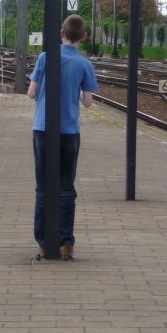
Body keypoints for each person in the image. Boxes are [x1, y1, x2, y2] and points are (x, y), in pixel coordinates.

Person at [27, 14, 99, 261]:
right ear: (83, 37)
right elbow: (88, 103)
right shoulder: (84, 64)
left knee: (43, 188)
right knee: (66, 188)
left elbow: (31, 93)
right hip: (69, 131)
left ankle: (45, 244)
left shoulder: (45, 58)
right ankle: (66, 243)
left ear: (61, 33)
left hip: (42, 129)